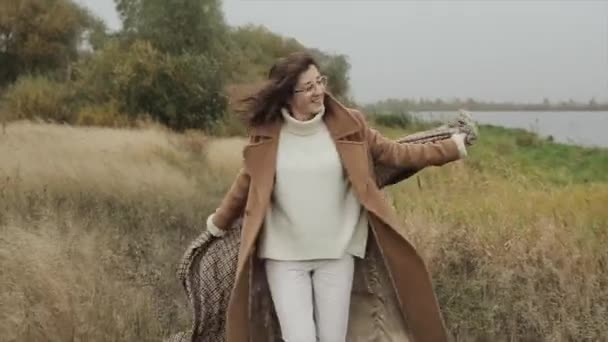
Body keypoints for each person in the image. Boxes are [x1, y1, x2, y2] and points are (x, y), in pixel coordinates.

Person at [205, 51, 473, 342]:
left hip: (337, 254)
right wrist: (219, 222)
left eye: (320, 81)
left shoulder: (349, 124)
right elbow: (246, 181)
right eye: (308, 87)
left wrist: (451, 147)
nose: (319, 91)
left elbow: (398, 153)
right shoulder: (267, 134)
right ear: (287, 95)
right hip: (284, 258)